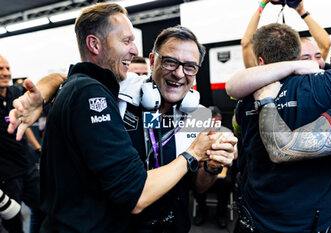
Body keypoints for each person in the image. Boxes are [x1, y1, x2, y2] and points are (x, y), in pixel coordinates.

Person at [8, 4, 237, 232]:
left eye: (190, 67)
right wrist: (42, 92)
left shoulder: (198, 115)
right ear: (152, 61)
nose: (179, 73)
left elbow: (199, 187)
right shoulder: (122, 89)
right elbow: (74, 76)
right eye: (170, 62)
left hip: (174, 225)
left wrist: (213, 167)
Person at [226, 23, 331, 233]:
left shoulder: (244, 100)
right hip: (314, 222)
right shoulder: (330, 84)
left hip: (261, 218)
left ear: (261, 62)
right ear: (297, 55)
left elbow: (236, 126)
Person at [0, 54, 44, 233]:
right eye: (0, 69)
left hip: (27, 166)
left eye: (7, 68)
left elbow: (24, 125)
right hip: (6, 175)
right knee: (13, 224)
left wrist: (38, 148)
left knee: (43, 209)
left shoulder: (15, 93)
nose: (5, 73)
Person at [241, 0, 331, 69]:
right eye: (305, 58)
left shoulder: (315, 67)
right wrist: (263, 3)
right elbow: (246, 43)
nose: (313, 61)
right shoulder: (266, 77)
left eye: (318, 56)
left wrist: (302, 11)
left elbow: (326, 44)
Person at [193, 106, 237, 229]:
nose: (213, 123)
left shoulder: (226, 132)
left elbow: (235, 155)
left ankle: (221, 214)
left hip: (223, 170)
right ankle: (202, 210)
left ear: (220, 119)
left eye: (216, 120)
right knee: (194, 181)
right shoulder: (199, 133)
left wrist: (225, 153)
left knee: (226, 183)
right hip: (202, 168)